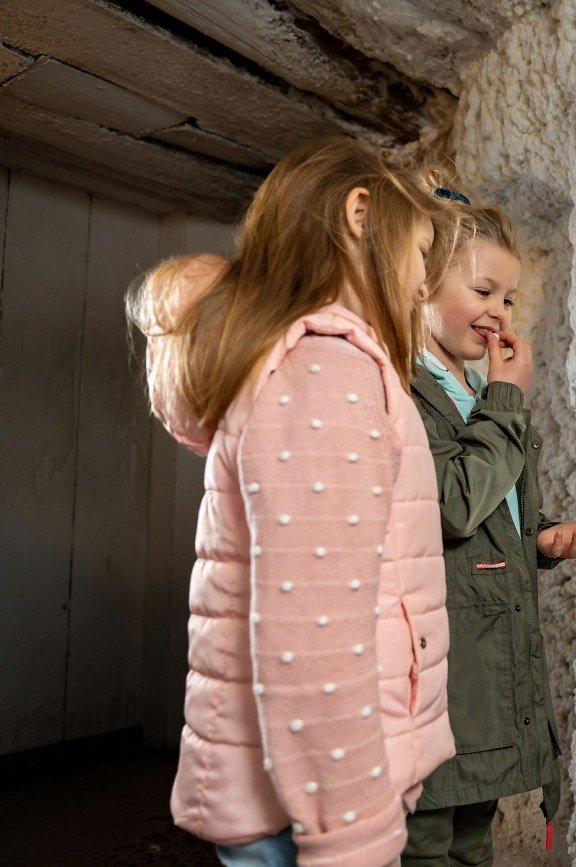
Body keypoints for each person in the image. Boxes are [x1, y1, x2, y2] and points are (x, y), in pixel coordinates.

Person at [129, 137, 460, 867]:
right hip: (314, 813)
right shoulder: (326, 371)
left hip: (293, 800)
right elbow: (313, 639)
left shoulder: (306, 365)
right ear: (359, 214)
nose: (419, 285)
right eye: (419, 255)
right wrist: (353, 837)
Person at [402, 193, 576, 866]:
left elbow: (489, 507)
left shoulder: (473, 388)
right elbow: (454, 503)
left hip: (488, 666)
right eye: (483, 289)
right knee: (426, 837)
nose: (498, 310)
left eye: (509, 297)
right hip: (443, 667)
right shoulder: (408, 390)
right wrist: (508, 397)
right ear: (423, 283)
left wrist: (540, 538)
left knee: (473, 833)